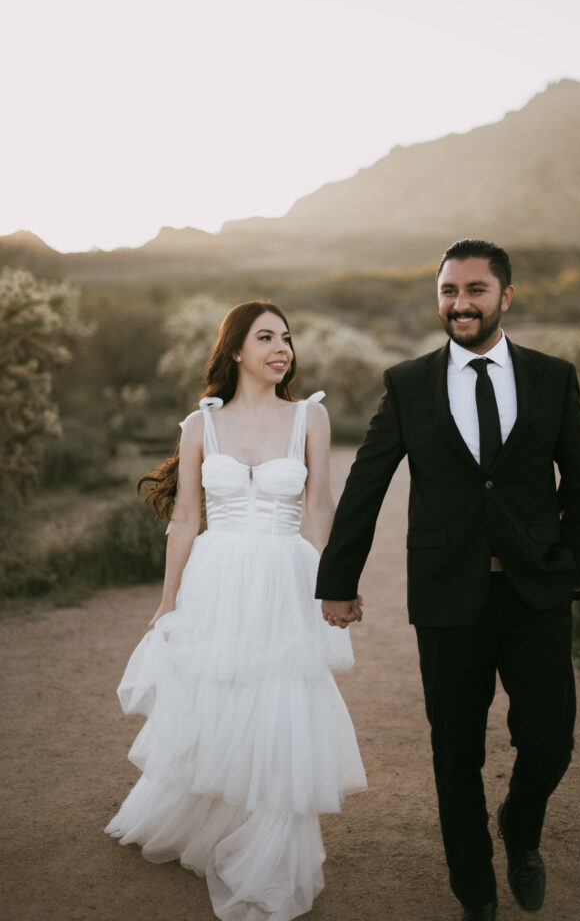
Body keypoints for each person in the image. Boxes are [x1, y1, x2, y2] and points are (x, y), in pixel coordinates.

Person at [316, 239, 580, 921]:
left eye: (474, 290)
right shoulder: (408, 382)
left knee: (549, 740)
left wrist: (572, 566)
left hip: (535, 593)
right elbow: (365, 484)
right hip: (448, 597)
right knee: (455, 750)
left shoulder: (552, 376)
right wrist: (337, 578)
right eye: (448, 291)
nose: (459, 303)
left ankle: (520, 827)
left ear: (505, 297)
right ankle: (472, 884)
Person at [106, 300, 366, 921]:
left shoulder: (311, 416)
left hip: (283, 575)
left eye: (288, 339)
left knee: (280, 701)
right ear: (236, 350)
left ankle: (271, 847)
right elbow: (186, 517)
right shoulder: (202, 426)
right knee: (217, 698)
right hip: (216, 579)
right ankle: (212, 817)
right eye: (267, 337)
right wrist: (167, 602)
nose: (283, 349)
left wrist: (337, 581)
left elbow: (320, 506)